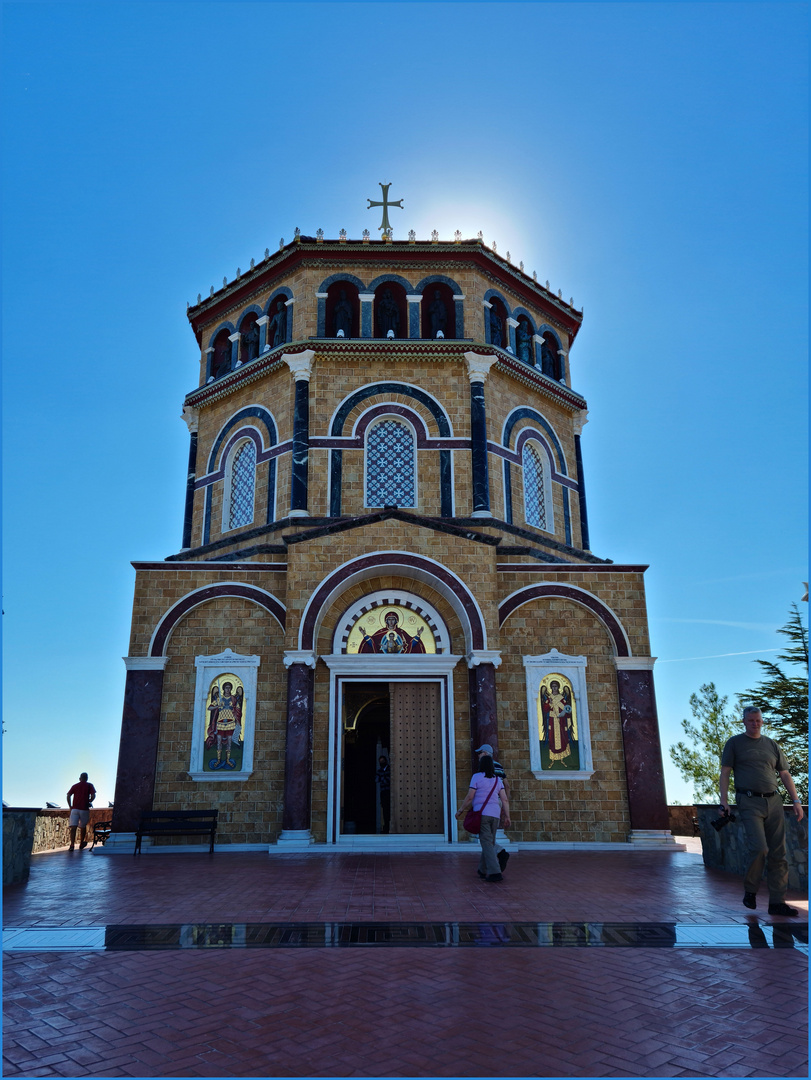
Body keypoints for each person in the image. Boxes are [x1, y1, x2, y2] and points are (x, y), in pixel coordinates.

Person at [719, 706, 804, 916]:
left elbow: (784, 774)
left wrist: (796, 800)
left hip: (774, 801)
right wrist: (724, 801)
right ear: (744, 721)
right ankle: (750, 890)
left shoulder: (771, 745)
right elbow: (725, 773)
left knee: (779, 854)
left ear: (762, 721)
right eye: (751, 720)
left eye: (758, 720)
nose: (755, 723)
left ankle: (777, 902)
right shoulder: (735, 743)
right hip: (748, 801)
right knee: (759, 848)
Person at [455, 754, 511, 882]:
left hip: (482, 814)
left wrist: (461, 810)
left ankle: (495, 872)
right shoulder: (498, 780)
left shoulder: (476, 777)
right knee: (489, 841)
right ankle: (482, 869)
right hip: (495, 815)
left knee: (486, 843)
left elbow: (470, 797)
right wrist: (507, 816)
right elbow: (504, 799)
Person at [475, 743, 511, 872]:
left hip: (486, 805)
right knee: (489, 837)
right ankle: (482, 868)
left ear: (485, 753)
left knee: (486, 838)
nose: (478, 756)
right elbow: (506, 785)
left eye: (480, 753)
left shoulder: (486, 768)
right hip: (498, 803)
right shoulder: (499, 766)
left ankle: (500, 852)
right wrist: (504, 802)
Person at [358, 611, 426, 654]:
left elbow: (410, 644)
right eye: (389, 619)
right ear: (386, 621)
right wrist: (364, 634)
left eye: (393, 619)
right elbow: (373, 643)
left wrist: (418, 635)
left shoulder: (401, 632)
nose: (391, 622)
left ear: (396, 621)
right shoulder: (381, 632)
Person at [66, 772, 96, 851]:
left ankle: (72, 845)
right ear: (87, 778)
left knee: (73, 827)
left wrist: (70, 806)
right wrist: (89, 800)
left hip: (74, 809)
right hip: (84, 809)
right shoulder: (89, 785)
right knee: (82, 827)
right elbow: (93, 795)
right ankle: (81, 843)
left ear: (80, 778)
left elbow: (68, 795)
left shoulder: (75, 786)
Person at [376, 755, 390, 833]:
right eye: (380, 761)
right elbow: (376, 779)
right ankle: (386, 827)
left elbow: (389, 780)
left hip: (389, 792)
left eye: (383, 761)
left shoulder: (389, 769)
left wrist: (383, 778)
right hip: (383, 793)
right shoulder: (379, 770)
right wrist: (384, 778)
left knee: (390, 809)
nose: (382, 763)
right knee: (384, 810)